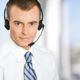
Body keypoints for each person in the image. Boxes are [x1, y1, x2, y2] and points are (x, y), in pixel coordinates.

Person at [0, 0, 59, 80]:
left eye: (31, 24)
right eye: (18, 23)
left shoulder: (48, 57)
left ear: (39, 24)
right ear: (7, 24)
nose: (25, 32)